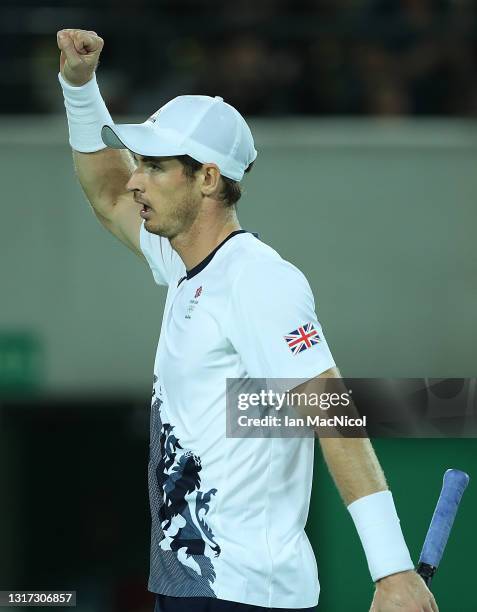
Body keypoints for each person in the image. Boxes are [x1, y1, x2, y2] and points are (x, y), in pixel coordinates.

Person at [56, 28, 439, 612]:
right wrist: (79, 88)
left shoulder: (257, 281)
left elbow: (331, 410)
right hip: (191, 587)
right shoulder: (187, 265)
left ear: (207, 179)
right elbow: (108, 194)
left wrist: (392, 572)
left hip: (243, 597)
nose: (136, 178)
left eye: (155, 167)